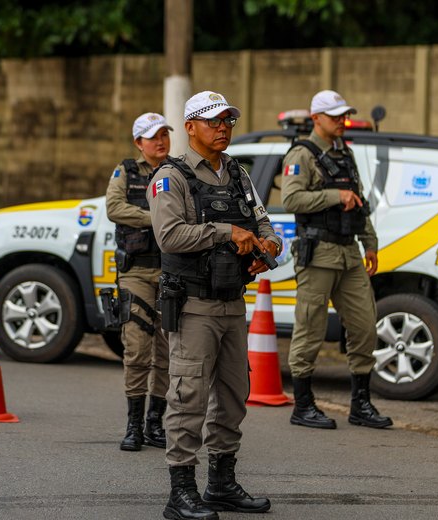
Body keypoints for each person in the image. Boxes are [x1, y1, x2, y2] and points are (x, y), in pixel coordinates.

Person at [148, 91, 281, 520]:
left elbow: (262, 221)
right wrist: (226, 232)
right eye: (212, 121)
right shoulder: (172, 177)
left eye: (227, 120)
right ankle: (180, 492)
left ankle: (221, 483)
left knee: (233, 393)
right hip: (192, 305)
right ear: (190, 127)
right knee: (188, 395)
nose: (222, 128)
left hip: (231, 302)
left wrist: (268, 245)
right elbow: (169, 235)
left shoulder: (239, 174)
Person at [280, 89, 393, 430]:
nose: (342, 122)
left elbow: (358, 201)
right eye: (334, 117)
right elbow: (291, 199)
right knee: (310, 329)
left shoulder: (345, 154)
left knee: (364, 326)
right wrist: (334, 195)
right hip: (318, 255)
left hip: (349, 253)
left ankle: (360, 404)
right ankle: (303, 405)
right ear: (316, 119)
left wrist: (369, 243)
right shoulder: (302, 154)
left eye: (344, 116)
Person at [106, 112, 173, 452]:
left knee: (165, 351)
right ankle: (133, 424)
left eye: (164, 134)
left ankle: (154, 423)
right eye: (152, 136)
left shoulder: (176, 171)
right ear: (138, 143)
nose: (160, 141)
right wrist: (156, 219)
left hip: (172, 270)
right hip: (136, 271)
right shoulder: (125, 172)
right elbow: (114, 208)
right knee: (136, 348)